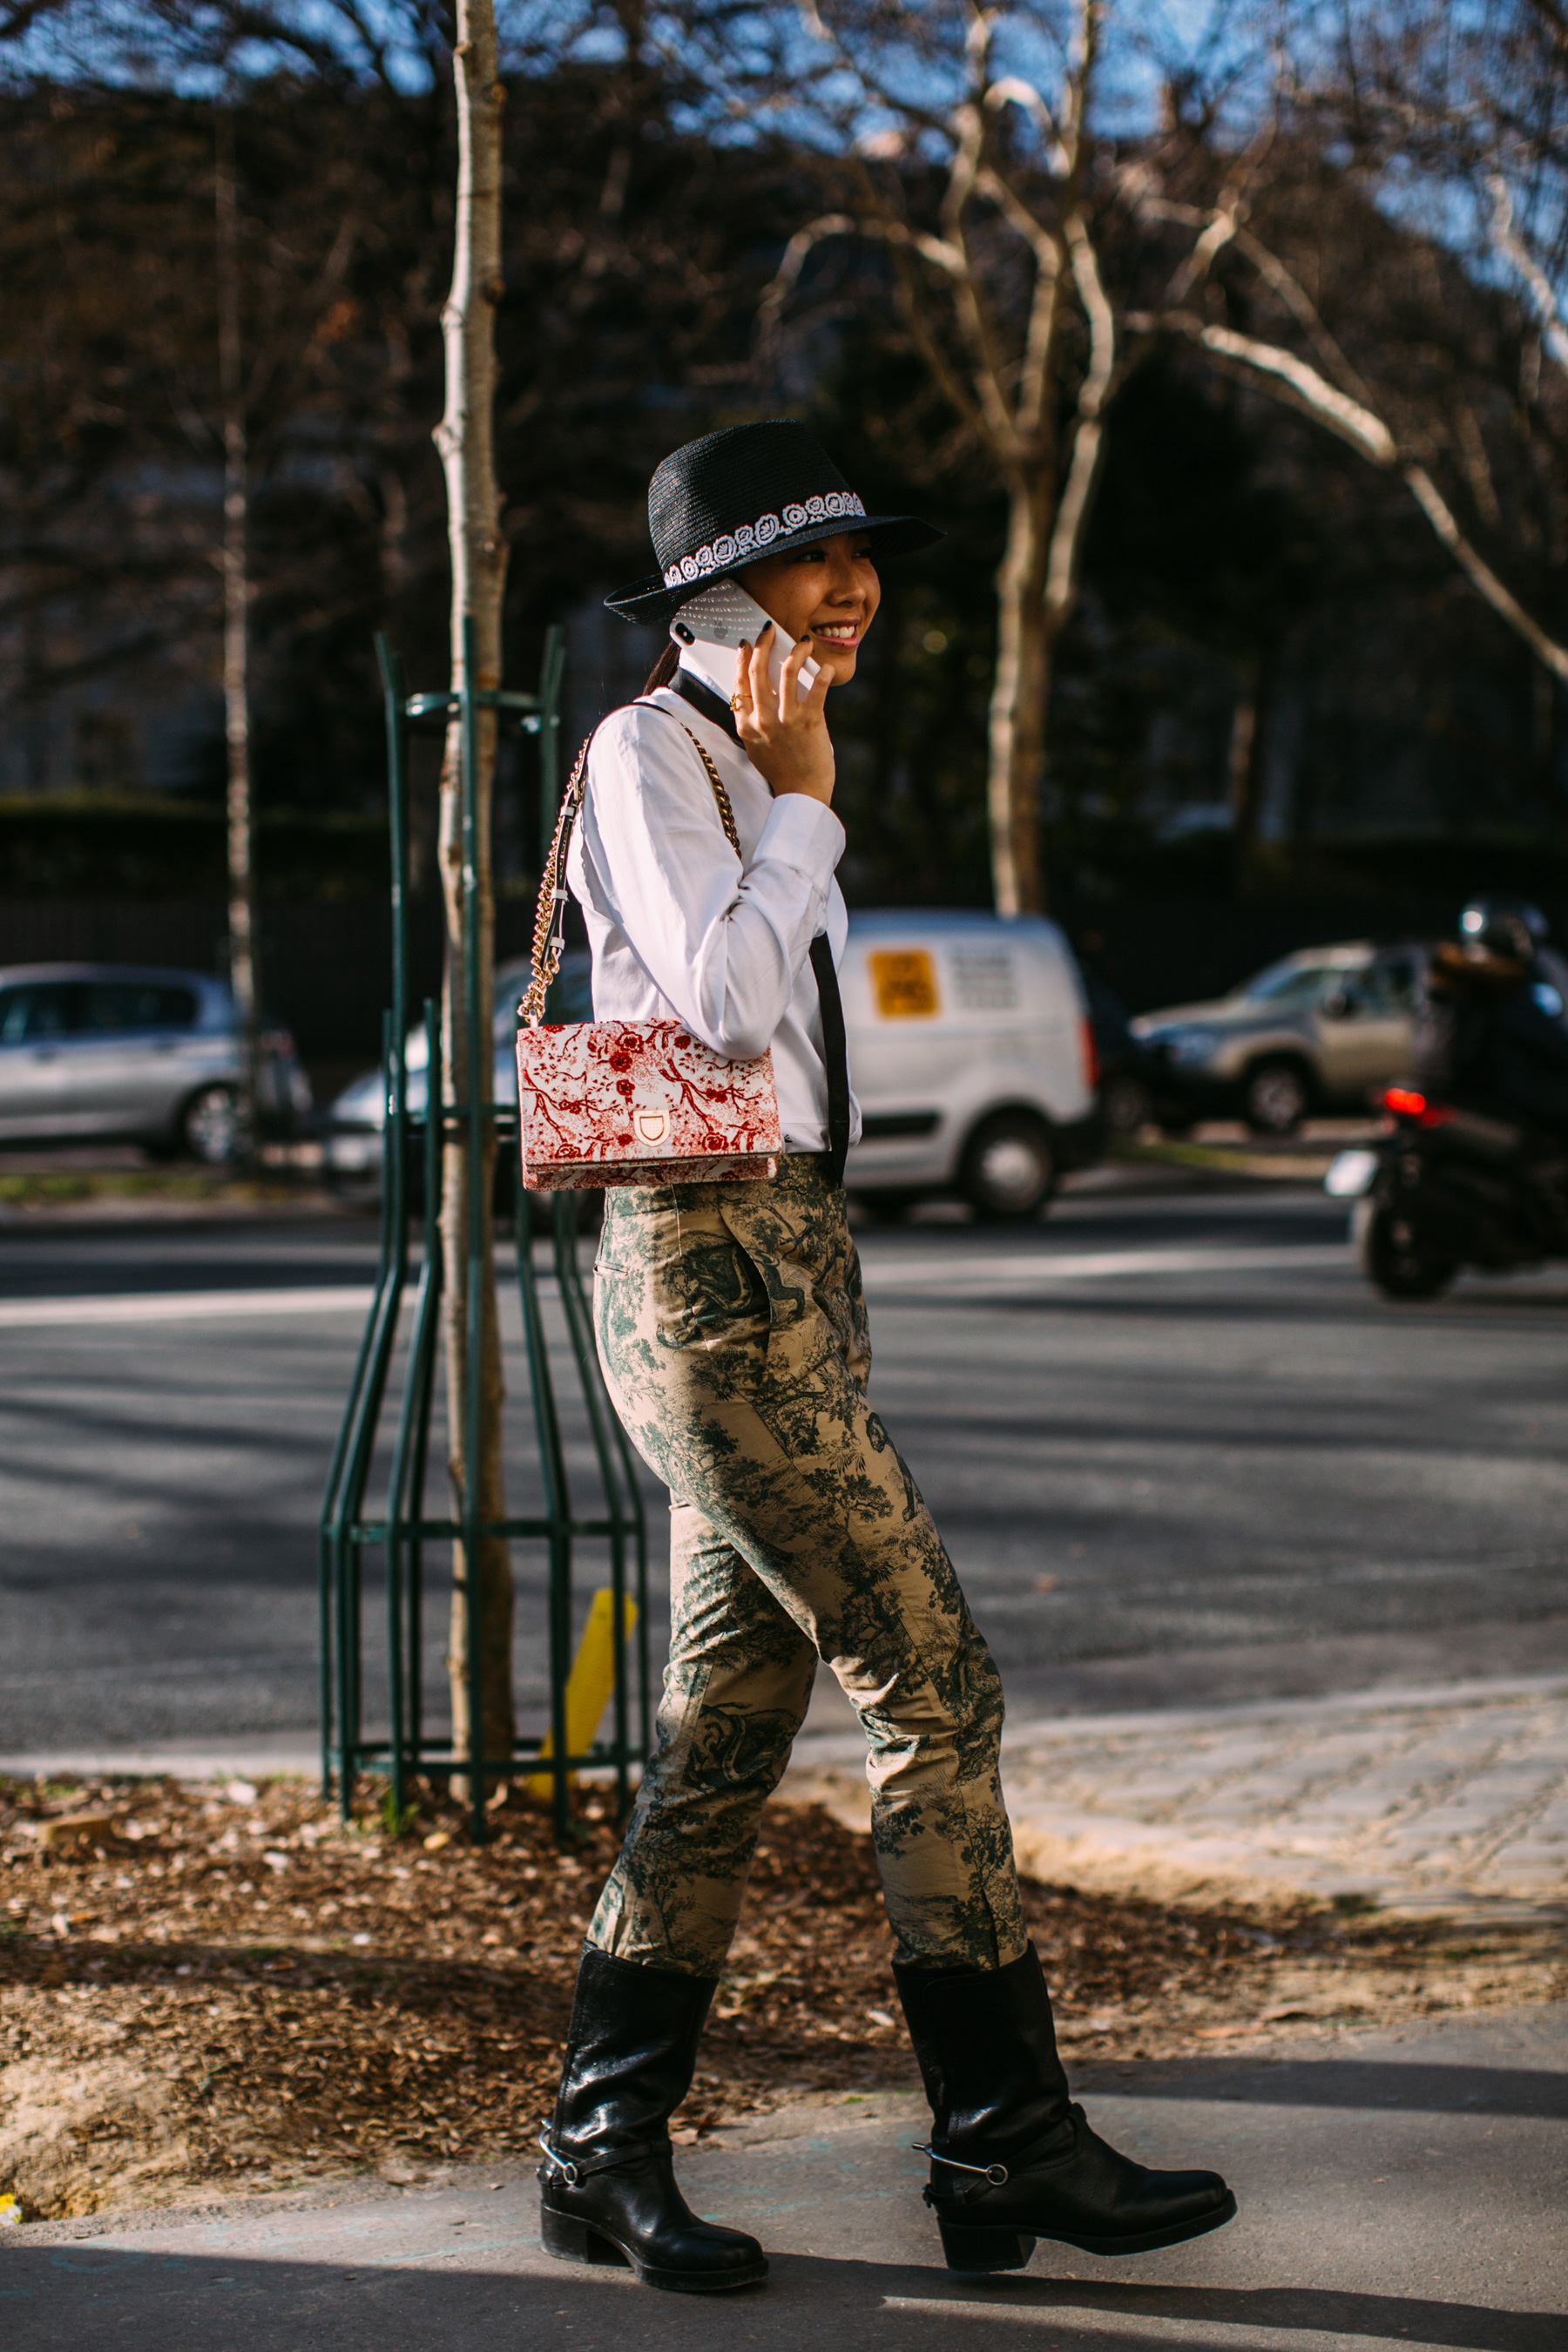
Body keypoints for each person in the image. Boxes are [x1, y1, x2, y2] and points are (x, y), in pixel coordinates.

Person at [536, 420, 1236, 2293]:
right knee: (936, 1679)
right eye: (810, 559)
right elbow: (725, 1003)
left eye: (866, 557)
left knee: (729, 1731)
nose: (856, 587)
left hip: (793, 1264)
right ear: (710, 592)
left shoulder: (748, 758)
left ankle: (598, 2147)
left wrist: (794, 795)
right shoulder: (656, 753)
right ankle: (1004, 2145)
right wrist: (808, 800)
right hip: (701, 1270)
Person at [1418, 896, 1568, 1143]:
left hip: (1459, 1092)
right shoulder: (1509, 980)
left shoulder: (1452, 965)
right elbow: (1545, 1034)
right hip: (1505, 1096)